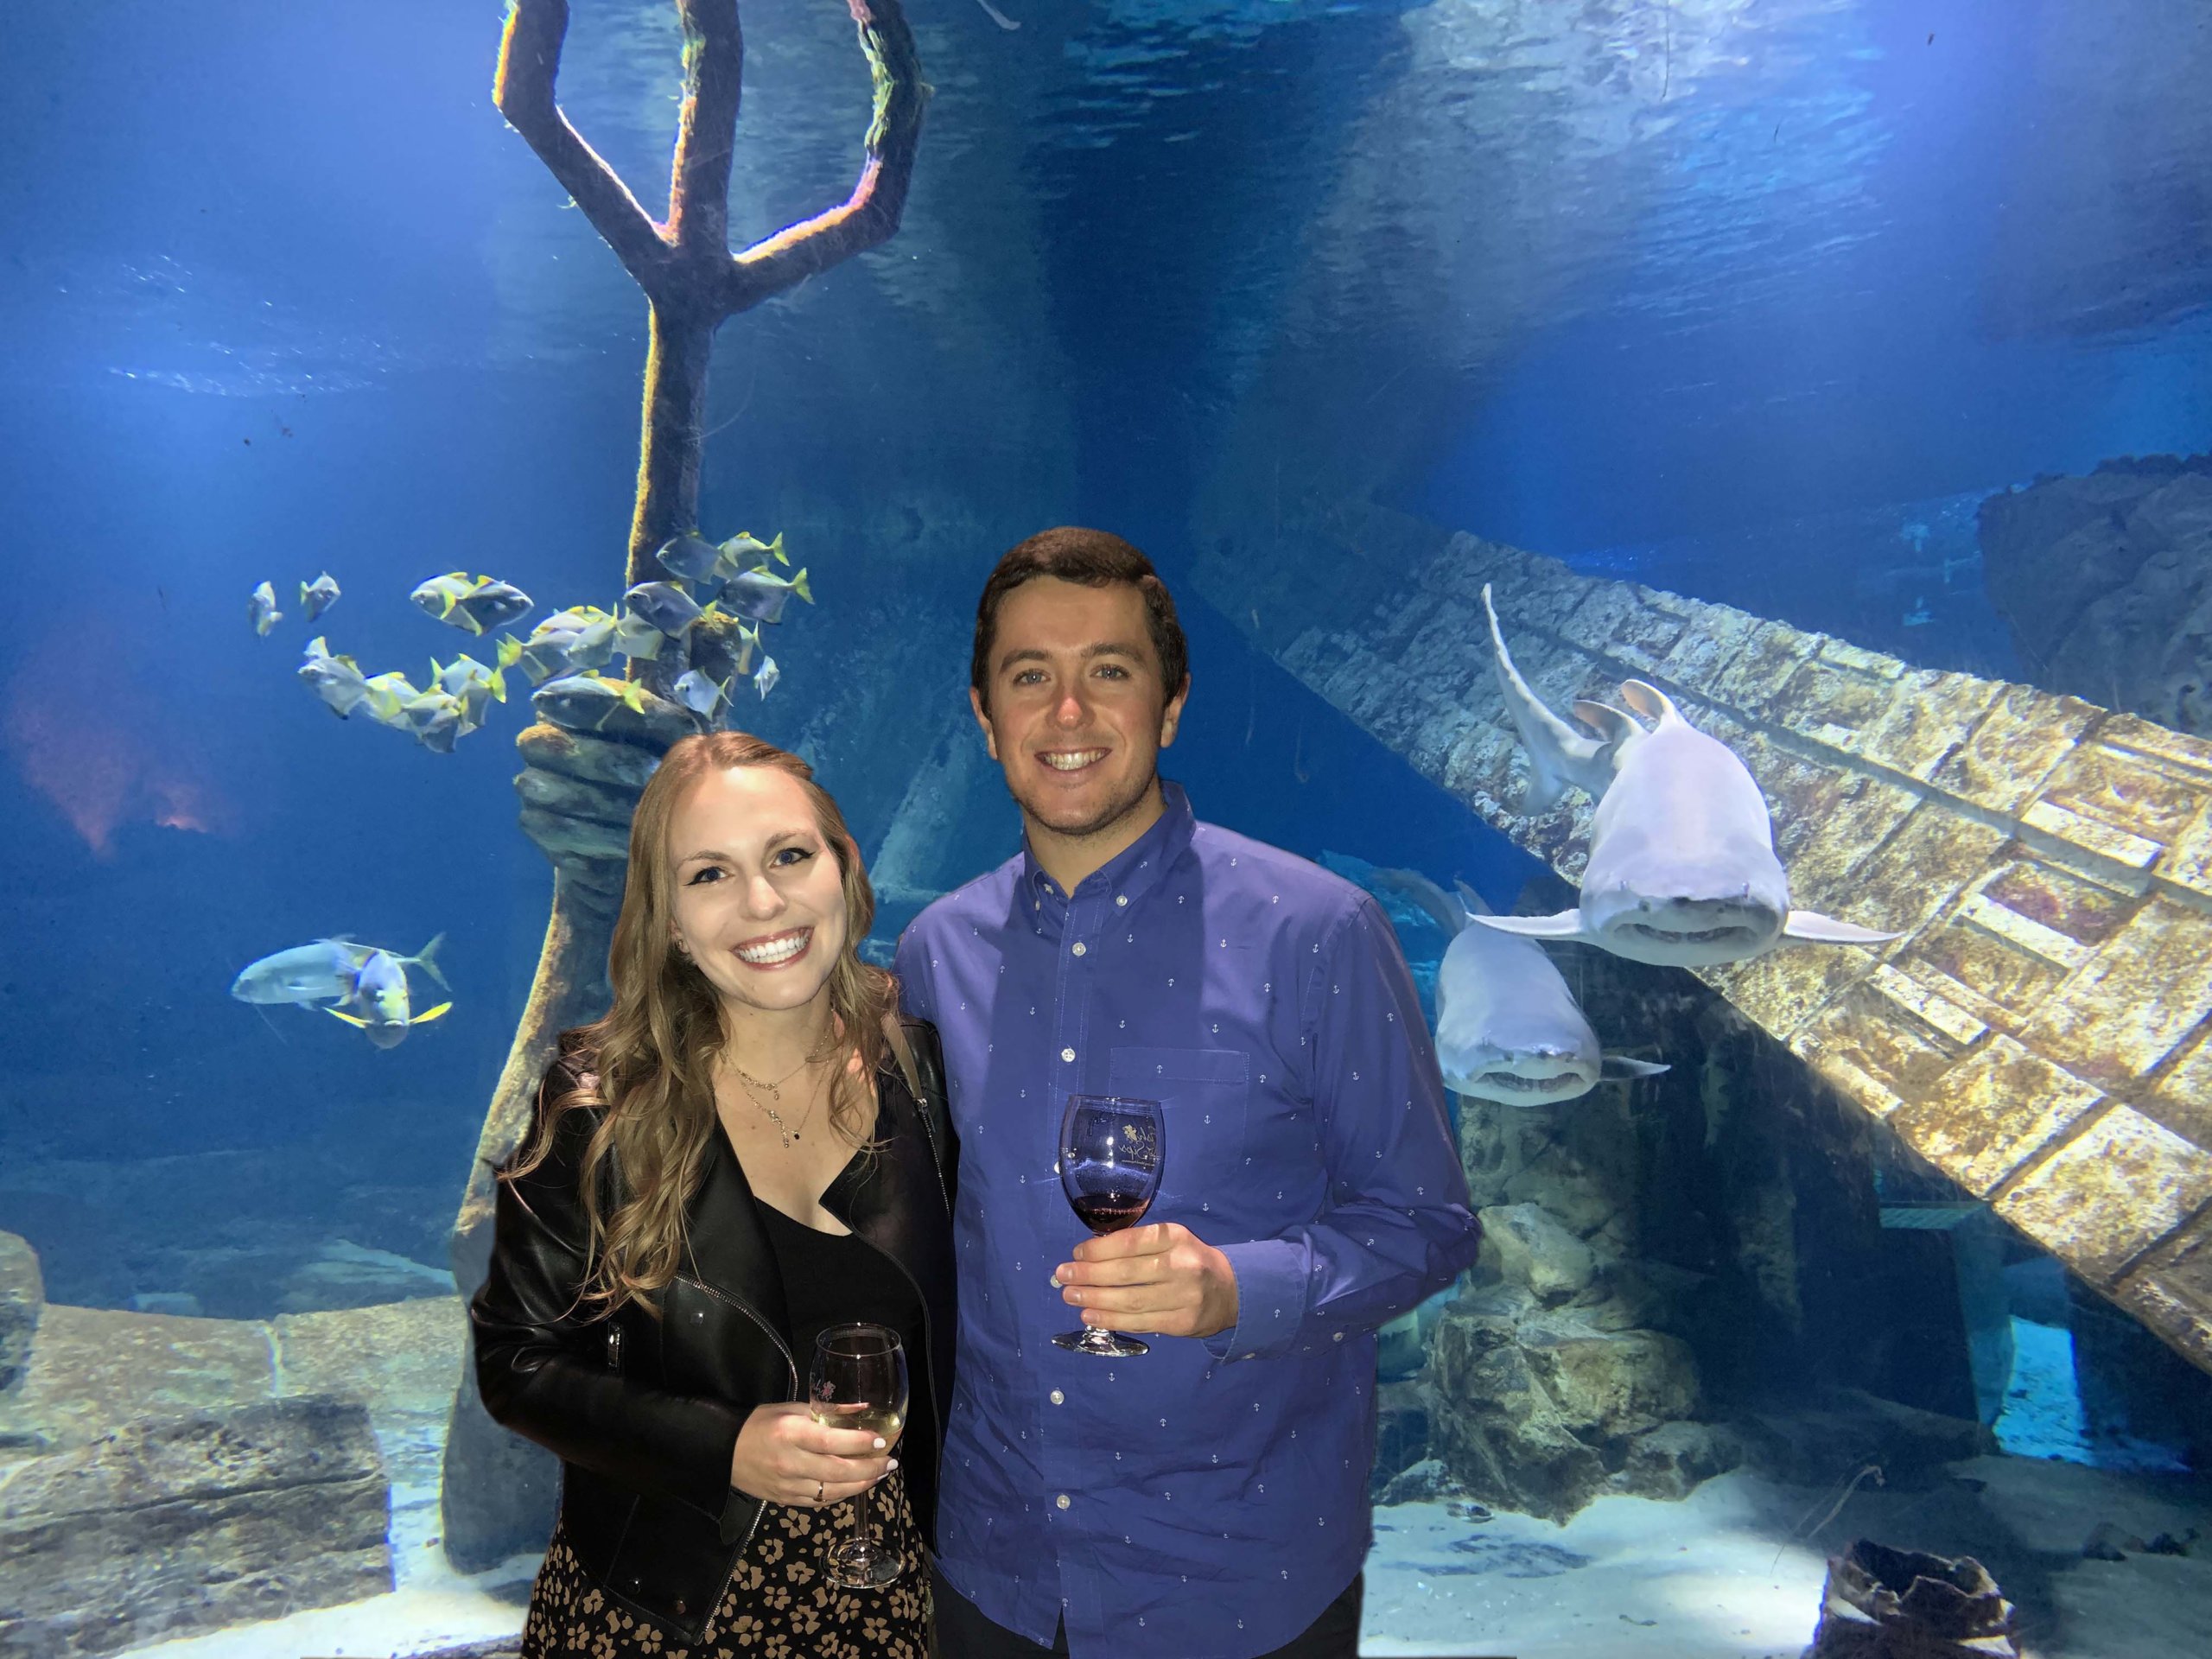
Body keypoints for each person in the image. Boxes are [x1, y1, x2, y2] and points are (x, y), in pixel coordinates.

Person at [895, 527, 1482, 1659]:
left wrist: (1237, 1289)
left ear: (1170, 707)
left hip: (1237, 1577)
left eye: (1109, 671)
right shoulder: (933, 952)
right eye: (1031, 677)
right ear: (984, 715)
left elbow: (1427, 1226)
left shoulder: (1319, 933)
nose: (1068, 714)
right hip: (993, 1564)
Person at [472, 730, 957, 1658]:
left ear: (846, 873)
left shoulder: (922, 1074)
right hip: (660, 1616)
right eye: (708, 875)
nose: (762, 902)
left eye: (788, 855)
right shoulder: (594, 1107)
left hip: (880, 1606)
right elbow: (515, 1363)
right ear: (668, 921)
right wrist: (720, 1444)